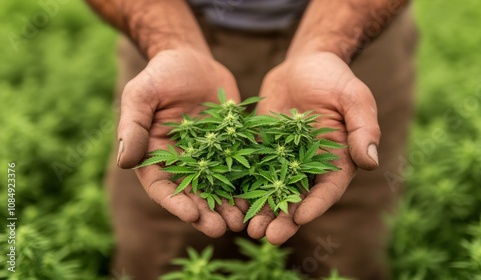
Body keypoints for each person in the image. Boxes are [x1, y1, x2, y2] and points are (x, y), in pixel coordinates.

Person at [85, 0, 418, 279]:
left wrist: (325, 46)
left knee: (346, 251)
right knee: (159, 250)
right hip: (164, 27)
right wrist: (171, 43)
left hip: (353, 27)